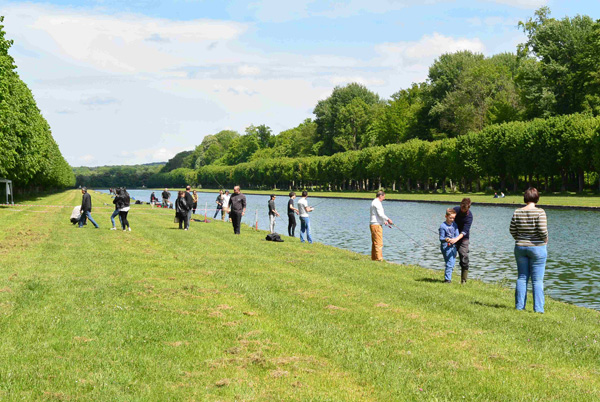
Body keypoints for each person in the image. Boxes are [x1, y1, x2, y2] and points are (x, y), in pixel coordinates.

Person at [510, 187, 548, 313]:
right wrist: (545, 239)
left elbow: (512, 229)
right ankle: (538, 309)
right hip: (537, 247)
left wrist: (519, 238)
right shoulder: (540, 212)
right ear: (537, 198)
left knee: (522, 277)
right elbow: (542, 230)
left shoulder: (517, 212)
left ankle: (519, 307)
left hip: (520, 247)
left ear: (525, 197)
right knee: (537, 280)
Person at [448, 198, 473, 284]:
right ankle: (448, 279)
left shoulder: (469, 216)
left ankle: (463, 281)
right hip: (452, 236)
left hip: (463, 239)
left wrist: (456, 239)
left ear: (468, 208)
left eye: (464, 209)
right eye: (461, 207)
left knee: (464, 258)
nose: (462, 210)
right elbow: (448, 218)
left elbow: (464, 231)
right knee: (449, 257)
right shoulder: (456, 210)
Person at [369, 190, 393, 261]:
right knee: (379, 243)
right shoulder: (377, 203)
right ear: (380, 196)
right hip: (376, 225)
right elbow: (381, 214)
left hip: (373, 224)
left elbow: (377, 215)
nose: (384, 198)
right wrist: (388, 219)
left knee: (375, 243)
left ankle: (374, 258)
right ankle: (379, 259)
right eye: (383, 197)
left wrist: (384, 221)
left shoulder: (374, 202)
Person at [439, 208, 460, 283]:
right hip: (446, 247)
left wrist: (454, 240)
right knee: (450, 262)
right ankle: (447, 280)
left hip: (453, 246)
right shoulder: (442, 226)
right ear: (446, 216)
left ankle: (448, 278)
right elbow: (441, 238)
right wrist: (446, 239)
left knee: (452, 263)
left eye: (453, 218)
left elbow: (457, 235)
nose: (452, 219)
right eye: (450, 218)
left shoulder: (455, 225)